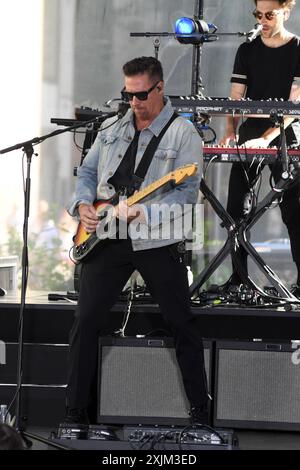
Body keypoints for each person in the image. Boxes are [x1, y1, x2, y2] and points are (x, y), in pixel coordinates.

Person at [65, 56, 209, 425]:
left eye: (141, 94)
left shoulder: (183, 135)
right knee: (86, 320)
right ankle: (76, 415)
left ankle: (201, 416)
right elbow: (88, 172)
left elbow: (185, 199)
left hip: (156, 239)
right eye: (127, 94)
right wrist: (82, 203)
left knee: (181, 323)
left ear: (160, 88)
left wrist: (143, 213)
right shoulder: (112, 127)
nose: (134, 103)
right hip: (107, 234)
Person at [220, 0, 300, 294]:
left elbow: (295, 106)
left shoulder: (298, 48)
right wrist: (230, 131)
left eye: (269, 14)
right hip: (251, 130)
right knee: (234, 209)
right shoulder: (247, 50)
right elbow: (235, 97)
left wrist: (267, 139)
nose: (262, 20)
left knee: (295, 208)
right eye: (258, 14)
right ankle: (238, 279)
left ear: (286, 12)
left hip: (287, 133)